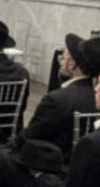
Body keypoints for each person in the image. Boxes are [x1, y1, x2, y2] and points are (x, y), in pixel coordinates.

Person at [11, 33, 100, 161]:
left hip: (52, 162)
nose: (59, 61)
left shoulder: (57, 99)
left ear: (72, 64)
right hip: (82, 162)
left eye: (63, 58)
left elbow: (31, 135)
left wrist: (11, 145)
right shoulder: (94, 97)